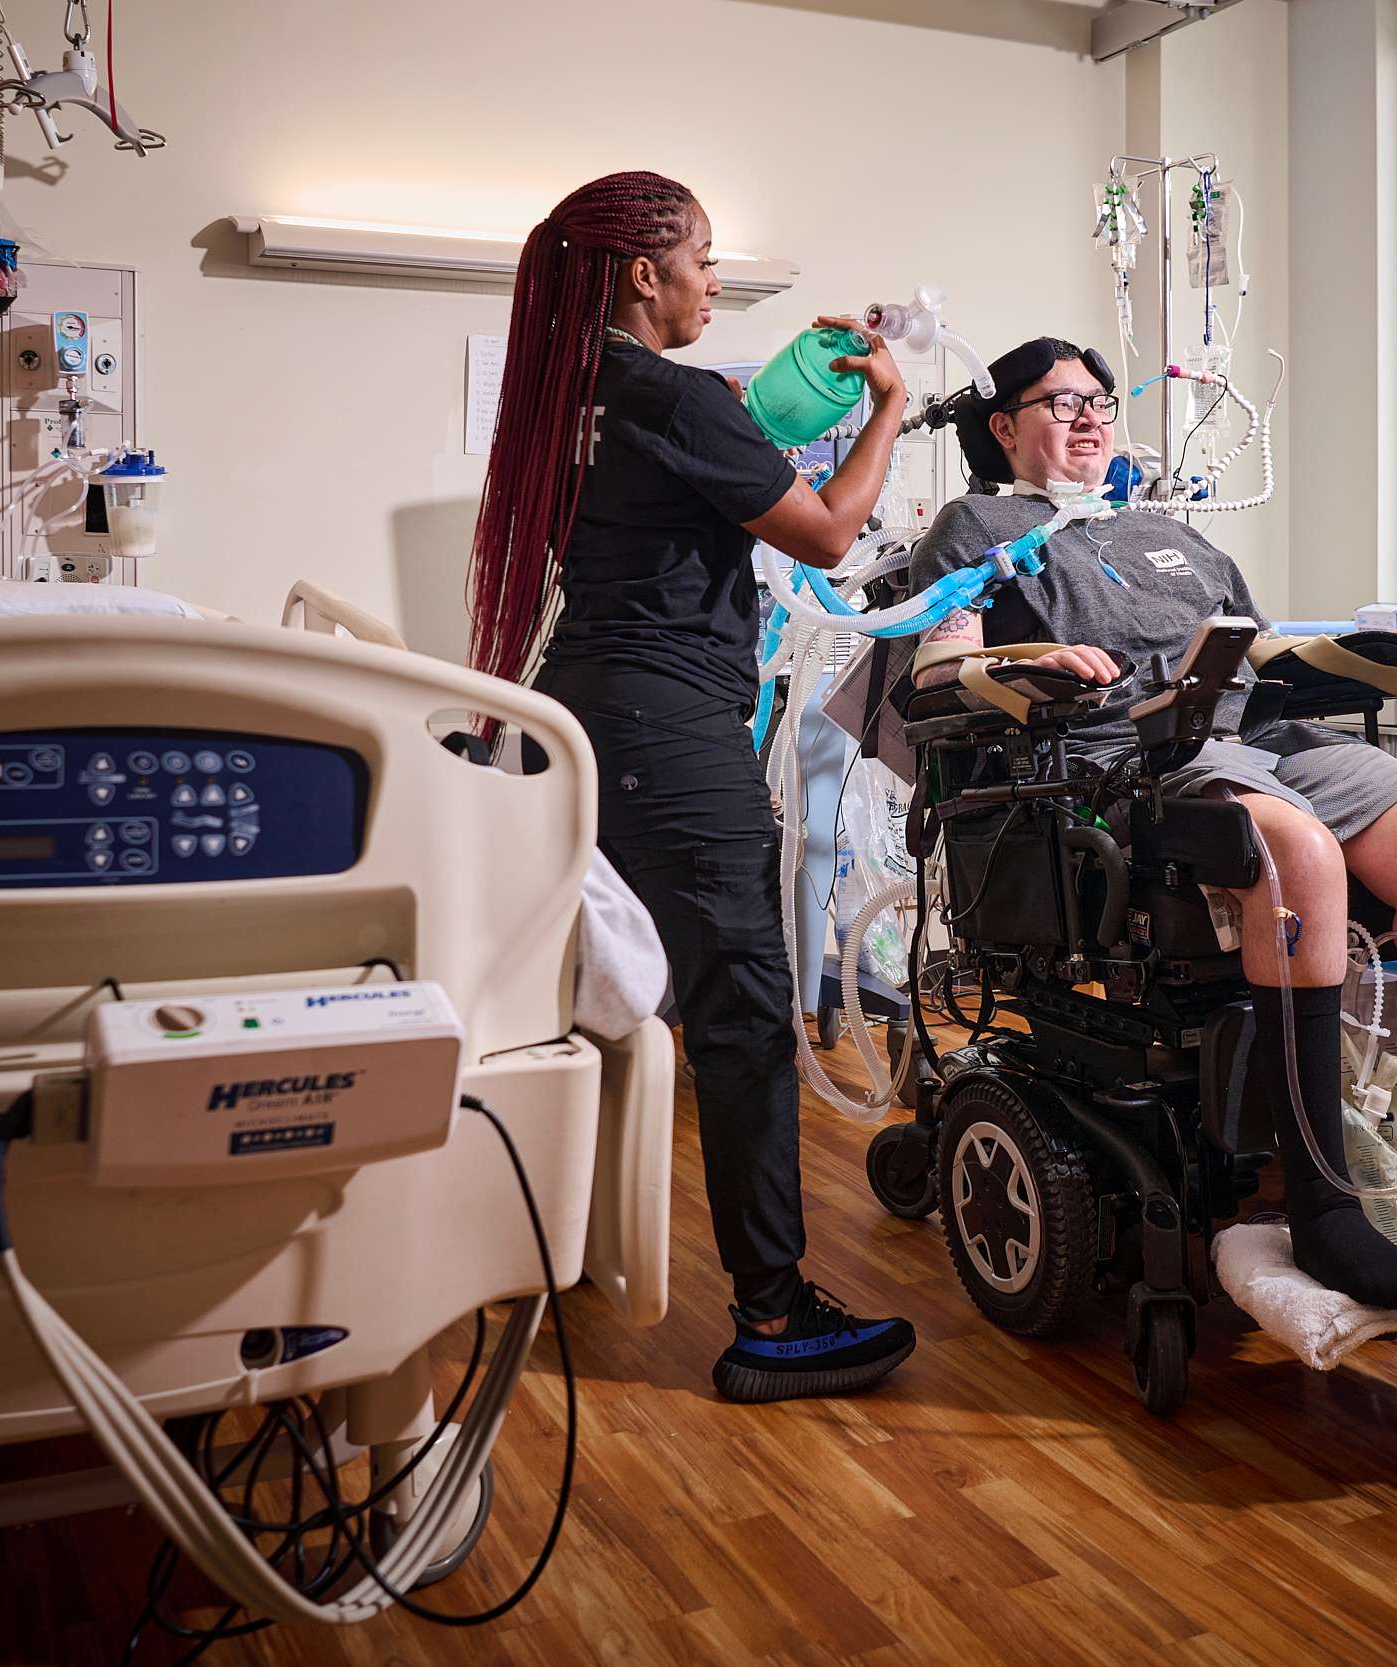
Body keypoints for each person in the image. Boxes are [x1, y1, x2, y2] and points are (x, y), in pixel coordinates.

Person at [906, 337, 1397, 1310]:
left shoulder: (1169, 532)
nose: (1089, 415)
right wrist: (1029, 661)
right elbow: (937, 671)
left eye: (1100, 399)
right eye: (1060, 401)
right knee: (1298, 850)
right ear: (1003, 427)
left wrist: (1370, 651)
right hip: (1115, 759)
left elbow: (1257, 648)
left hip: (1259, 732)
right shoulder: (975, 524)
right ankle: (1324, 1209)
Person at [465, 171, 915, 1403]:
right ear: (641, 277)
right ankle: (772, 1317)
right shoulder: (671, 392)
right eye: (704, 260)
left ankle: (530, 1248)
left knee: (612, 999)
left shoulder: (573, 396)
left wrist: (768, 413)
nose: (717, 280)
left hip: (580, 717)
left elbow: (694, 491)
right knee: (741, 1007)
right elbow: (826, 533)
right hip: (668, 730)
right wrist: (887, 409)